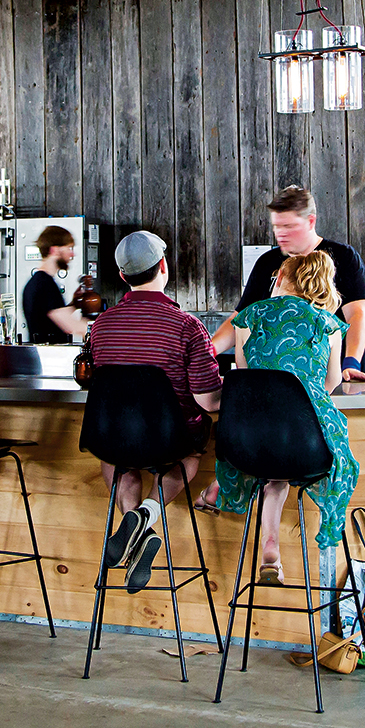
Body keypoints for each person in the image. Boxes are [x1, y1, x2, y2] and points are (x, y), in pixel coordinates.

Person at [87, 230, 223, 593]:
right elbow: (209, 401)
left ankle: (134, 527)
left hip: (116, 437)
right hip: (170, 439)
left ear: (122, 278)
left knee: (119, 460)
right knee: (188, 457)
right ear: (163, 267)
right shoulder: (187, 326)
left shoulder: (100, 326)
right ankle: (148, 515)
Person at [211, 250, 356, 586]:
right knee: (289, 459)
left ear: (280, 279)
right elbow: (331, 383)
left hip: (248, 440)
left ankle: (269, 544)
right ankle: (275, 546)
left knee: (274, 469)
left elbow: (247, 376)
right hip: (307, 445)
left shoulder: (248, 318)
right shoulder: (328, 324)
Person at [212, 185, 365, 384]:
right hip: (281, 379)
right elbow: (240, 318)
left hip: (336, 373)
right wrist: (207, 351)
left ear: (311, 221)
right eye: (277, 226)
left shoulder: (344, 257)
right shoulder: (267, 263)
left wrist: (351, 363)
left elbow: (356, 314)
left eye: (288, 226)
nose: (280, 233)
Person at [22, 225, 90, 344]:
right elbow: (72, 326)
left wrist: (74, 304)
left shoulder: (36, 282)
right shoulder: (45, 284)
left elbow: (51, 317)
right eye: (69, 248)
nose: (72, 255)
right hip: (51, 358)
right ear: (55, 250)